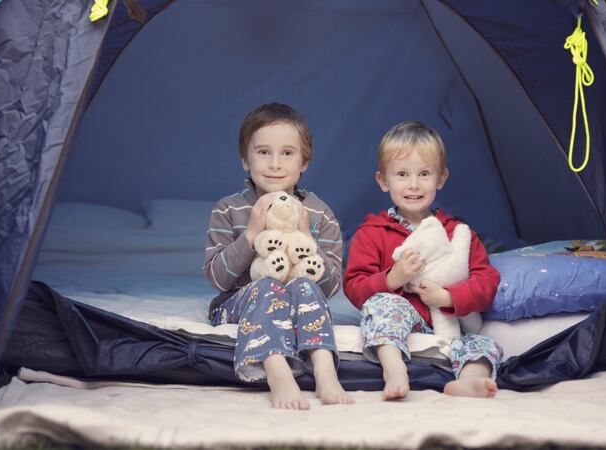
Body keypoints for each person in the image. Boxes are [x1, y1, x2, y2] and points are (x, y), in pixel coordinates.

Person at [204, 102, 353, 409]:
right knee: (266, 286)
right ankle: (277, 372)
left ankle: (325, 371)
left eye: (287, 153)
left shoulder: (319, 213)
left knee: (305, 287)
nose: (275, 164)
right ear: (245, 159)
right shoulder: (228, 209)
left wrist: (306, 237)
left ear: (304, 162)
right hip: (236, 303)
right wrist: (250, 234)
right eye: (263, 152)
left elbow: (329, 288)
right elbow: (219, 278)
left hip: (299, 298)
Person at [343, 121, 503, 400]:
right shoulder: (372, 233)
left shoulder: (458, 232)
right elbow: (355, 288)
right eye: (402, 174)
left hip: (446, 330)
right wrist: (392, 279)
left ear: (440, 178)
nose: (413, 185)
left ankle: (469, 381)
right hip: (400, 328)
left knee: (486, 344)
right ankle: (394, 369)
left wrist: (448, 297)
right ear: (383, 181)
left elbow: (486, 279)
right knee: (383, 303)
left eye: (424, 174)